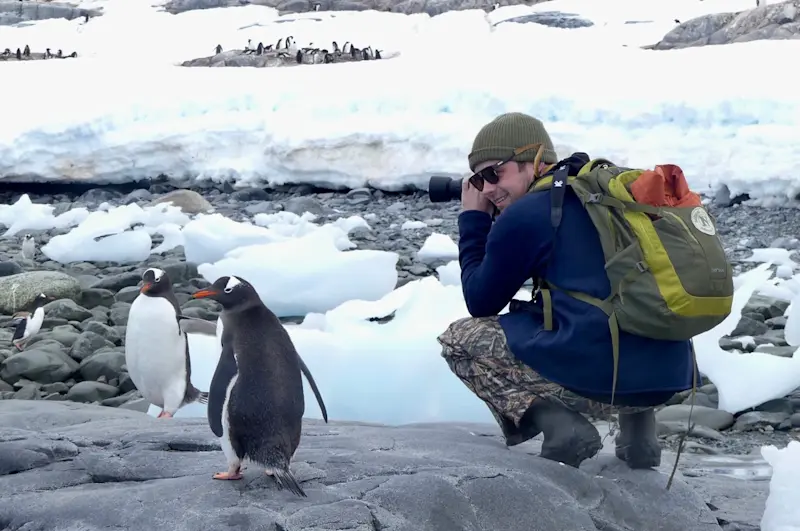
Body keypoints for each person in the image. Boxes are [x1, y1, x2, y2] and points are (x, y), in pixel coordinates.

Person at [437, 112, 697, 470]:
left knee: (460, 340)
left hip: (607, 381)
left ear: (536, 158)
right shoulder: (606, 195)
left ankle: (562, 429)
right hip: (670, 375)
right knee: (608, 299)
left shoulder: (530, 212)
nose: (487, 189)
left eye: (494, 174)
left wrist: (474, 220)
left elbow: (481, 302)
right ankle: (640, 435)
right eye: (478, 181)